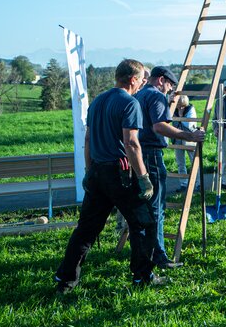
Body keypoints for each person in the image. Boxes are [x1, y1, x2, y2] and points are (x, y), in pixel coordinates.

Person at [55, 59, 159, 292]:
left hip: (97, 172)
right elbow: (131, 144)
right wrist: (143, 177)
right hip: (120, 173)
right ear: (133, 79)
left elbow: (88, 140)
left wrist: (88, 171)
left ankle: (66, 280)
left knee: (86, 229)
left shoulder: (98, 101)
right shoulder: (130, 103)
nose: (143, 82)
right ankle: (142, 277)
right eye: (142, 79)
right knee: (143, 223)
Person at [135, 66, 205, 268]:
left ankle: (144, 252)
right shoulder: (156, 96)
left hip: (139, 152)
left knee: (145, 207)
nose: (169, 89)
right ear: (160, 80)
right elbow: (159, 126)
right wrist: (189, 136)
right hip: (152, 154)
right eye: (169, 85)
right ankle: (159, 256)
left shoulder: (139, 95)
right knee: (156, 208)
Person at [171, 94, 197, 192]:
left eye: (181, 105)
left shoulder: (190, 109)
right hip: (177, 138)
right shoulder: (174, 110)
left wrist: (180, 118)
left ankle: (197, 184)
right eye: (178, 105)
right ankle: (183, 184)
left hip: (189, 138)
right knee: (180, 162)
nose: (180, 107)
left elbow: (189, 124)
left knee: (193, 161)